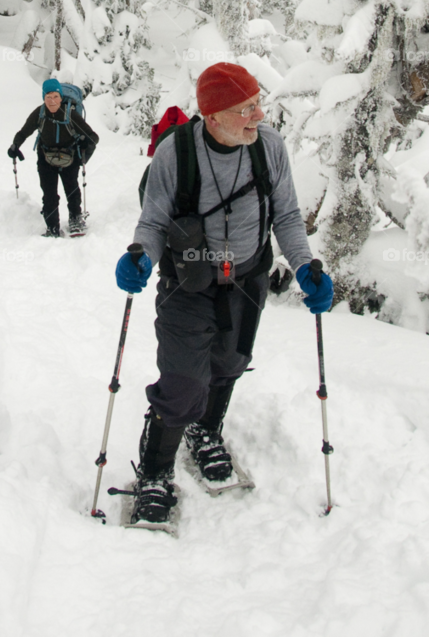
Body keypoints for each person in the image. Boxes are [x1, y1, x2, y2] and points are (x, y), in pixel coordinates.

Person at [115, 61, 333, 525]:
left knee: (229, 363)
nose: (258, 115)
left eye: (258, 103)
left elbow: (288, 217)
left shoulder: (268, 148)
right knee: (182, 383)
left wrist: (305, 266)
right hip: (188, 282)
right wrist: (140, 255)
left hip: (248, 279)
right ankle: (155, 472)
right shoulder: (176, 154)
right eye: (246, 108)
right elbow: (154, 221)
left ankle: (205, 430)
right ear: (213, 117)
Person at [8, 79, 98, 238]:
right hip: (45, 158)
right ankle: (52, 228)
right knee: (49, 195)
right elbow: (24, 131)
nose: (52, 101)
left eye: (56, 96)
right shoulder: (40, 113)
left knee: (72, 191)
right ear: (43, 98)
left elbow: (93, 136)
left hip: (69, 158)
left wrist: (85, 145)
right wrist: (15, 145)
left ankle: (75, 219)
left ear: (61, 97)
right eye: (48, 97)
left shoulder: (70, 114)